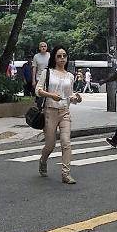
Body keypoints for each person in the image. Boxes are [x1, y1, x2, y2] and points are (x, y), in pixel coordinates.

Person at [36, 45, 81, 184]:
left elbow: (69, 96)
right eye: (59, 56)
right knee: (50, 144)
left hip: (64, 112)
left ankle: (66, 173)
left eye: (64, 56)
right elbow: (38, 90)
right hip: (50, 111)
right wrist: (51, 95)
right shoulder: (48, 73)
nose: (62, 59)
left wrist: (76, 98)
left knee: (66, 142)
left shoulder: (70, 76)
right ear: (54, 58)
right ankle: (43, 160)